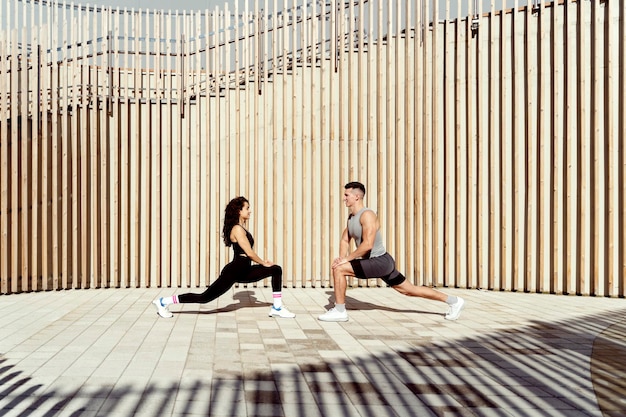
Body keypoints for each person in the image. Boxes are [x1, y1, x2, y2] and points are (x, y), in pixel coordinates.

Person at [318, 181, 465, 322]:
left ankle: (339, 311)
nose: (343, 198)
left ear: (357, 196)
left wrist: (346, 260)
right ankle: (454, 301)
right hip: (380, 262)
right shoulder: (352, 218)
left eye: (346, 195)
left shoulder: (367, 215)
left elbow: (368, 244)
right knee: (409, 290)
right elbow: (345, 239)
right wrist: (341, 257)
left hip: (379, 261)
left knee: (339, 269)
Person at [153, 196, 295, 319]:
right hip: (234, 271)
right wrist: (264, 263)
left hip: (244, 270)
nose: (249, 211)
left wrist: (265, 264)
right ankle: (163, 302)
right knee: (204, 298)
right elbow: (250, 253)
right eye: (247, 208)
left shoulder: (240, 228)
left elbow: (248, 254)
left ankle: (277, 308)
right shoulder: (237, 229)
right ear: (239, 211)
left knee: (276, 269)